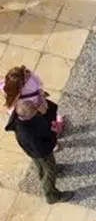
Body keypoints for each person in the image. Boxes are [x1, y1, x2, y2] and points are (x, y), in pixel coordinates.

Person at [4, 72, 71, 204]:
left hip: (32, 151)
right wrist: (53, 134)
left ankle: (43, 173)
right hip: (41, 152)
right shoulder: (30, 130)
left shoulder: (19, 119)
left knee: (41, 165)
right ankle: (51, 194)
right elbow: (43, 146)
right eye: (36, 111)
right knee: (49, 170)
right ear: (29, 116)